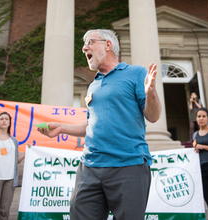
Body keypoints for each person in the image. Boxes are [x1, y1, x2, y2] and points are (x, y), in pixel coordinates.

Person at [38, 29, 161, 220]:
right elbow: (92, 125)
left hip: (128, 166)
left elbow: (153, 117)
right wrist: (62, 128)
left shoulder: (135, 73)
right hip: (89, 167)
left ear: (108, 45)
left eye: (90, 42)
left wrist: (151, 93)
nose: (84, 48)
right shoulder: (93, 85)